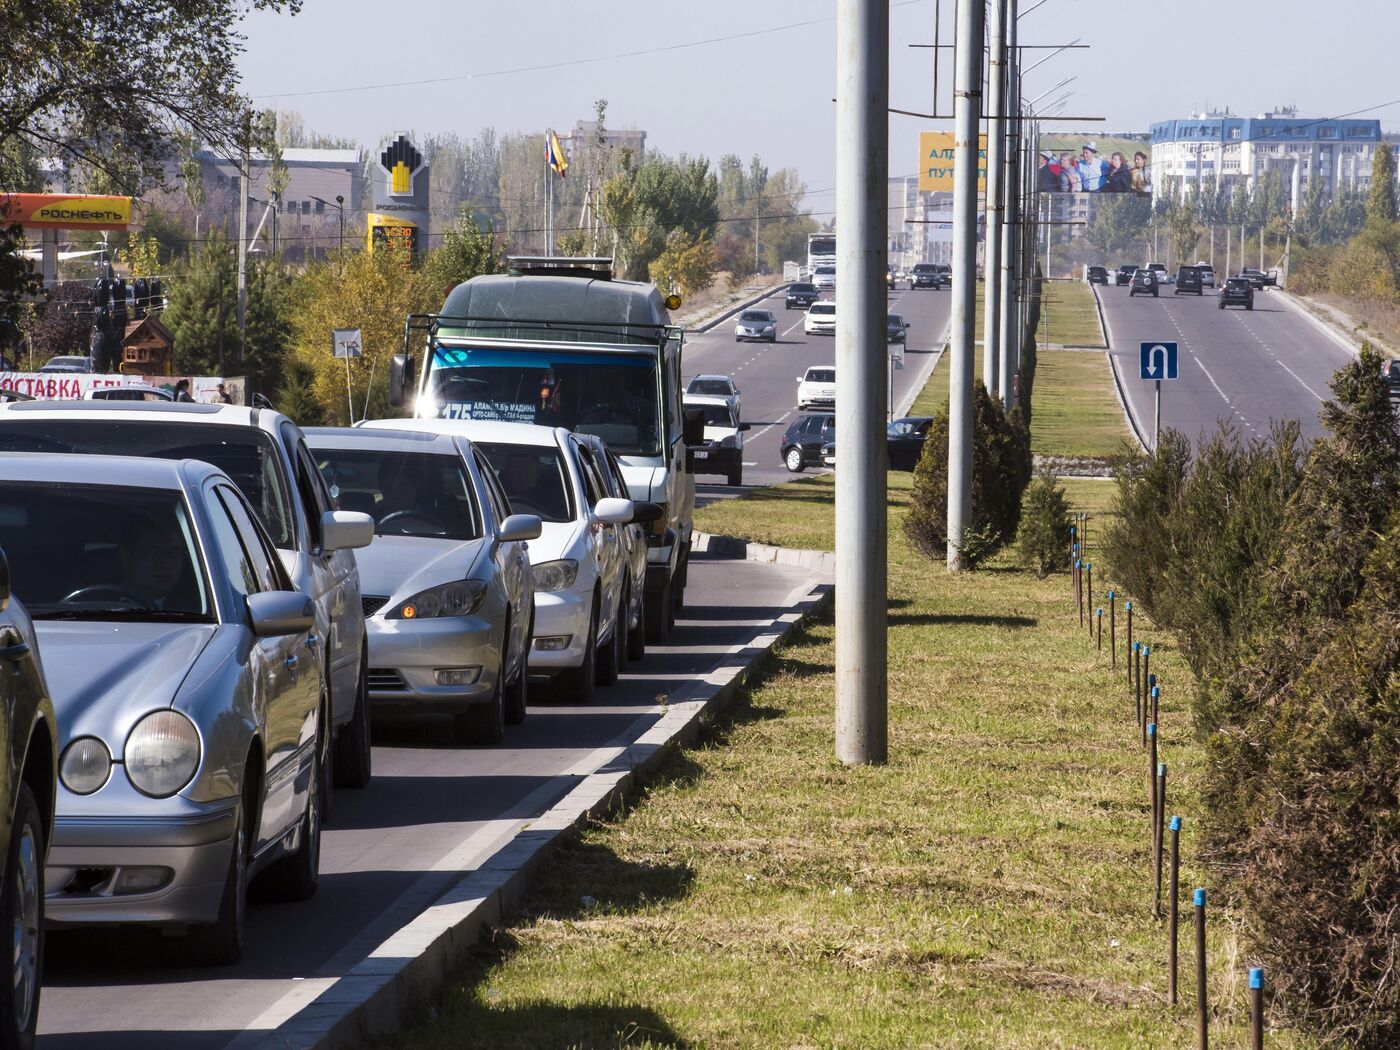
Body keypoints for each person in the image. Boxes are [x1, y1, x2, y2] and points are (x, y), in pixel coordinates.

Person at [117, 516, 187, 609]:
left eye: (173, 553)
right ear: (125, 556)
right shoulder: (96, 602)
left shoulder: (201, 608)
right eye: (153, 552)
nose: (165, 563)